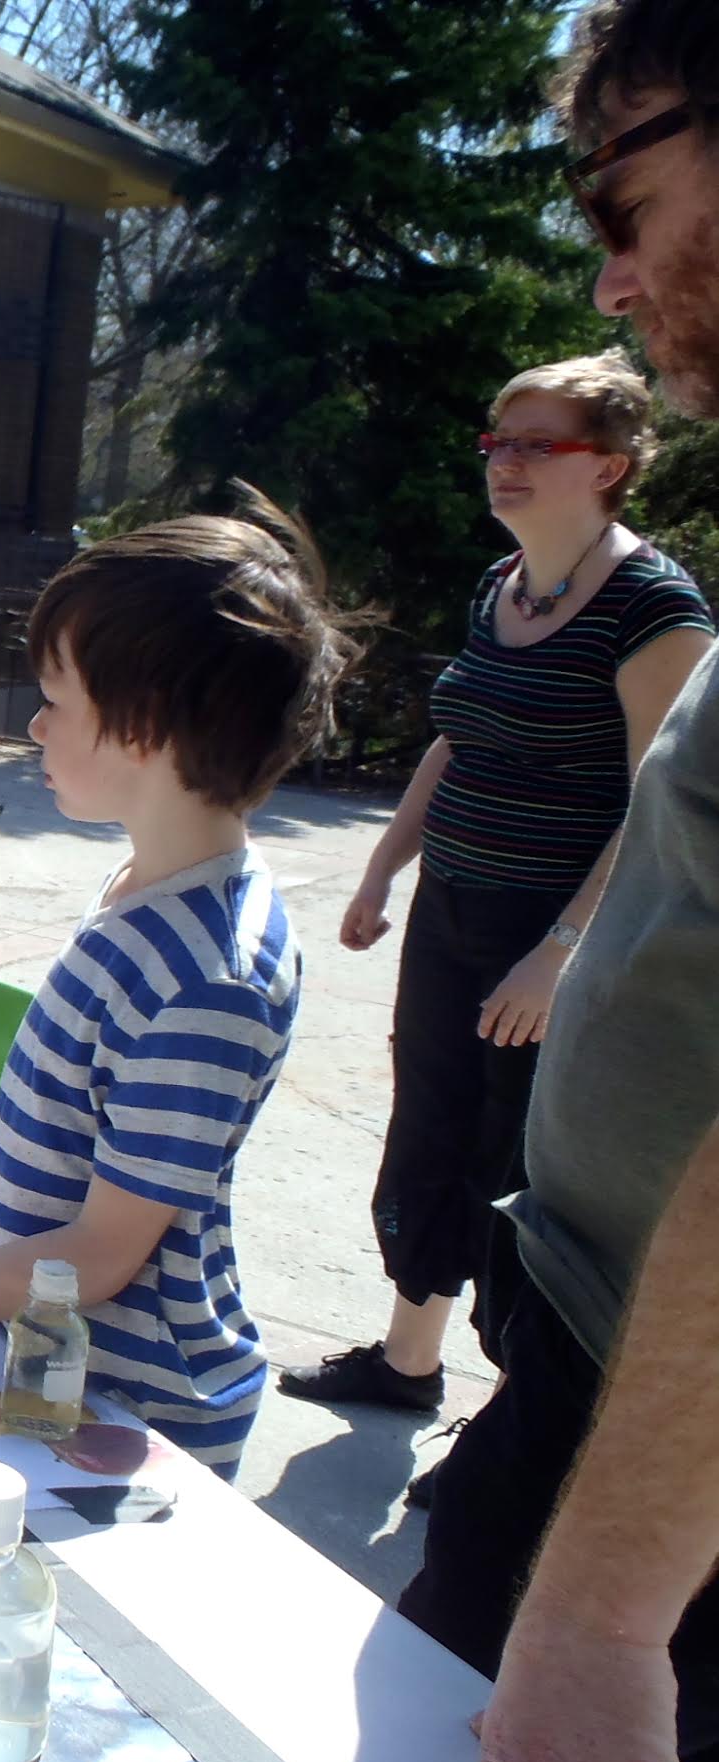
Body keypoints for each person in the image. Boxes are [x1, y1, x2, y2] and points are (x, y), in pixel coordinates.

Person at [419, 7, 719, 1762]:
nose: (604, 274)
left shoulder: (652, 601)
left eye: (623, 195)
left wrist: (606, 1612)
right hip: (596, 1370)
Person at [0, 501, 352, 1475]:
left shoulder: (211, 975)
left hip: (127, 1401)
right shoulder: (146, 886)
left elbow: (100, 1252)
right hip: (46, 1352)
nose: (37, 724)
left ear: (146, 723)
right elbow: (104, 1153)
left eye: (57, 697)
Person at [279, 352, 710, 1432]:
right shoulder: (501, 585)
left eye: (536, 444)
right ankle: (405, 1360)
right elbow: (457, 742)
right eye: (496, 441)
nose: (502, 463)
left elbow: (654, 808)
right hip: (454, 913)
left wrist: (559, 951)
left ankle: (515, 1414)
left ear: (608, 466)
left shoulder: (654, 611)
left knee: (524, 1164)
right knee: (428, 1125)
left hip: (561, 941)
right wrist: (384, 866)